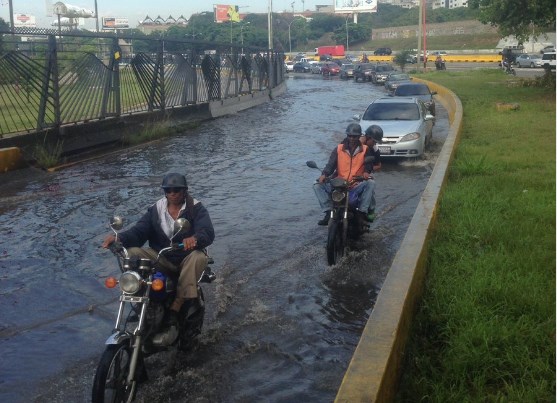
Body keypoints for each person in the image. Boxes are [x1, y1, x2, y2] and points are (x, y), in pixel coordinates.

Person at [102, 172, 215, 345]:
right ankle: (141, 296)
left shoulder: (196, 208)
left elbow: (207, 231)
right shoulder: (157, 209)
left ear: (184, 191)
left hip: (186, 257)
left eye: (176, 189)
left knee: (198, 257)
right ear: (164, 192)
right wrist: (119, 239)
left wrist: (195, 239)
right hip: (162, 256)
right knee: (131, 252)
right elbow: (140, 231)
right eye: (168, 190)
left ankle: (176, 307)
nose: (172, 193)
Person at [313, 123, 376, 226]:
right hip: (339, 184)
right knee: (316, 185)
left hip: (355, 184)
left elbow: (369, 164)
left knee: (371, 183)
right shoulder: (338, 148)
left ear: (359, 136)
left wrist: (366, 172)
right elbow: (330, 165)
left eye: (354, 136)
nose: (352, 138)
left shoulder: (365, 149)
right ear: (347, 136)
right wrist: (324, 174)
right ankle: (328, 211)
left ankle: (361, 212)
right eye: (350, 136)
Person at [359, 125, 383, 221]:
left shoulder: (374, 149)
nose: (374, 144)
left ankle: (371, 209)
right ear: (367, 137)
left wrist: (367, 170)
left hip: (365, 173)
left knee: (370, 186)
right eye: (373, 141)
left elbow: (379, 165)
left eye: (375, 142)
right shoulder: (353, 143)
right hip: (349, 172)